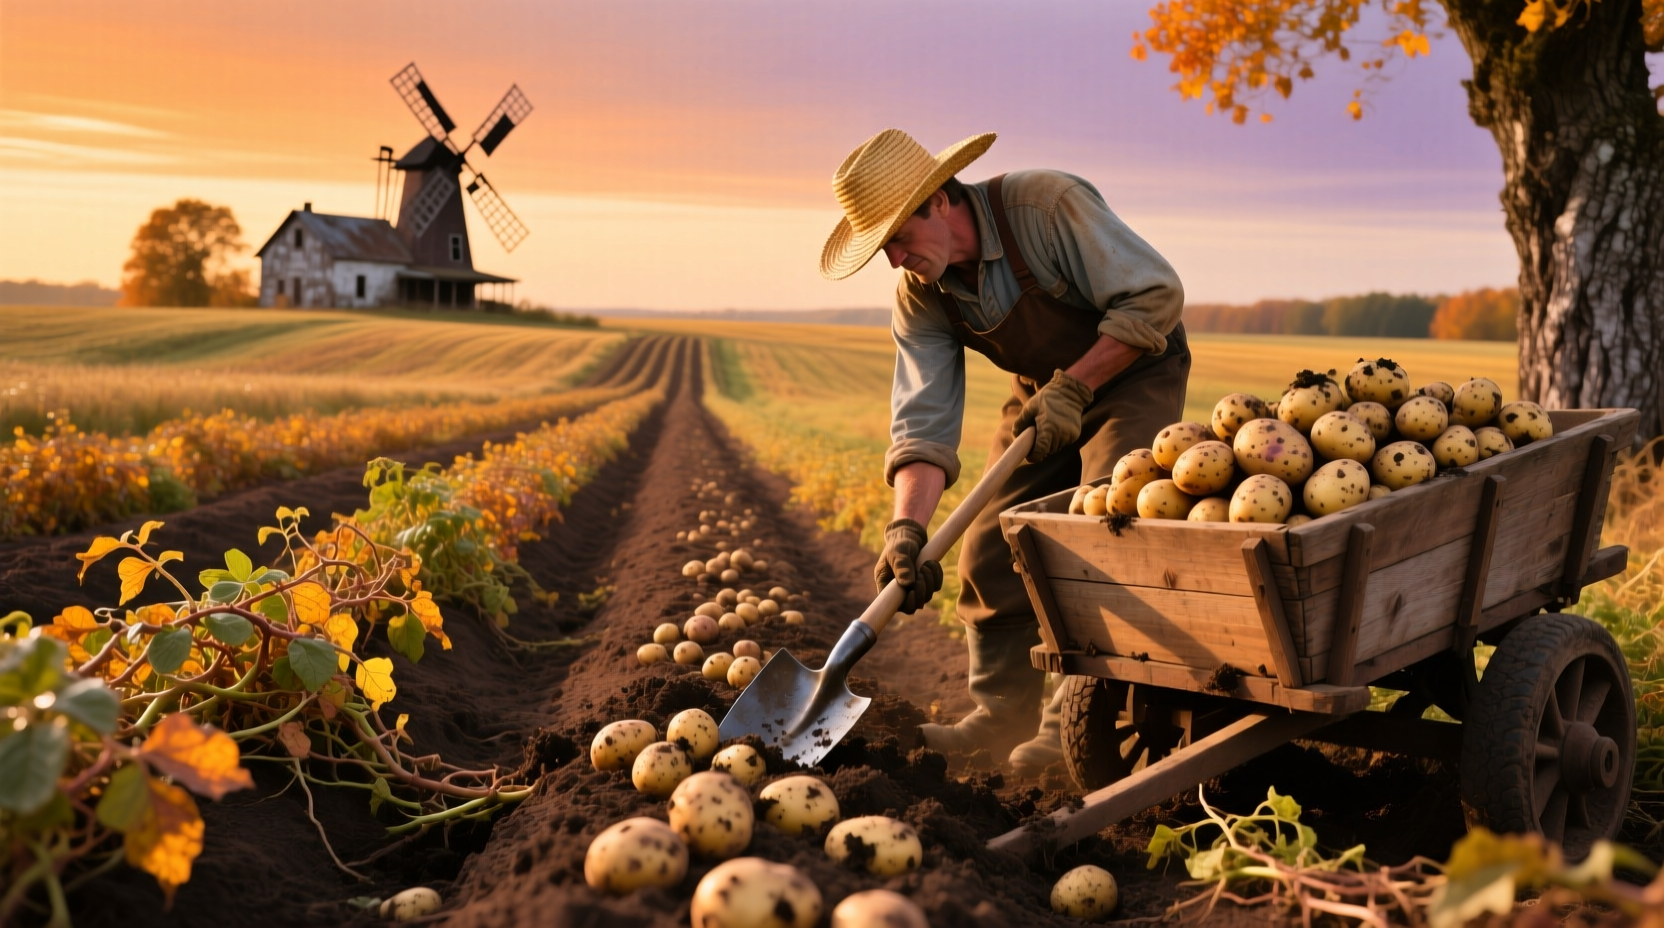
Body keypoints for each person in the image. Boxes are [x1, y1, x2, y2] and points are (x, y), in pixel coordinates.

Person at [820, 128, 1190, 775]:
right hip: (1044, 394)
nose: (894, 259)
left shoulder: (1045, 207)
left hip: (1132, 373)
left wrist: (1080, 385)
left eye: (898, 238)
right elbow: (923, 422)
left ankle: (1065, 724)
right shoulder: (922, 294)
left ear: (937, 199)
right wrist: (906, 529)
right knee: (990, 544)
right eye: (882, 248)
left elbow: (1155, 294)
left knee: (1099, 528)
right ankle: (1001, 716)